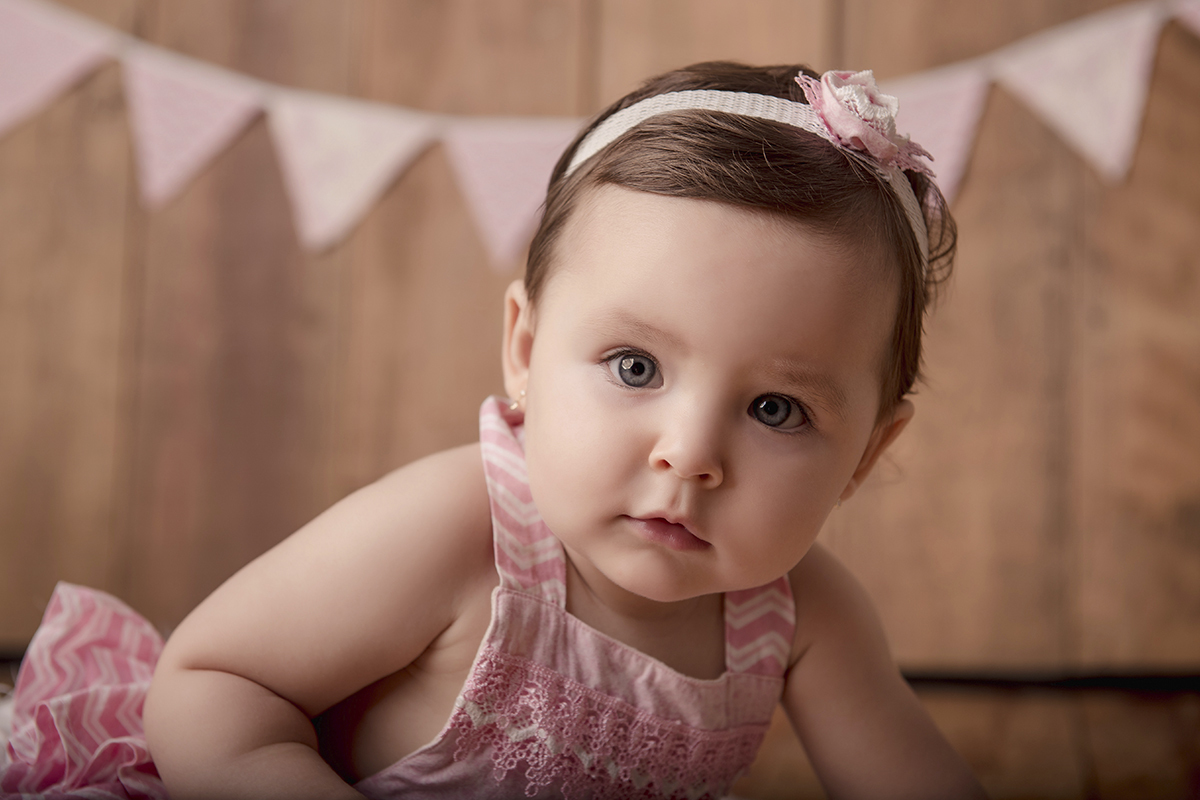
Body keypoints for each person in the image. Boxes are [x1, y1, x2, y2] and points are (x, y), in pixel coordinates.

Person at [2, 62, 985, 799]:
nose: (689, 453)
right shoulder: (463, 529)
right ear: (524, 346)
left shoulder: (805, 615)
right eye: (634, 366)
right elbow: (215, 677)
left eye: (778, 408)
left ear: (867, 453)